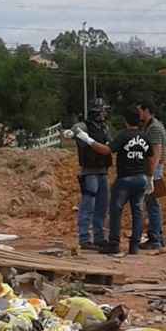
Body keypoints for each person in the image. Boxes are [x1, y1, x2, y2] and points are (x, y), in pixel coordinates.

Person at [67, 105, 154, 255]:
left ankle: (113, 243)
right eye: (101, 111)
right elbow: (151, 158)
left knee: (114, 210)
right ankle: (133, 246)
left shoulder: (119, 133)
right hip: (130, 177)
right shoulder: (144, 136)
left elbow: (107, 149)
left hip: (120, 177)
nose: (103, 115)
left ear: (125, 120)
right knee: (137, 212)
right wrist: (149, 177)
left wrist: (87, 139)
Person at [63, 99, 112, 250]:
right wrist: (74, 132)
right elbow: (74, 130)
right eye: (102, 110)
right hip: (89, 171)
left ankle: (99, 237)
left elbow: (109, 142)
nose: (104, 113)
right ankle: (84, 238)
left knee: (102, 207)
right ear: (95, 112)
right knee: (88, 205)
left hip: (103, 170)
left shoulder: (104, 127)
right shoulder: (84, 126)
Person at [137, 101, 166, 249]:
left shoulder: (154, 128)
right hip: (155, 169)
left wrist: (150, 175)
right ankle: (158, 236)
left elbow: (156, 152)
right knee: (153, 204)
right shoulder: (152, 125)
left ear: (146, 110)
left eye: (140, 111)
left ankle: (155, 239)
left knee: (152, 204)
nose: (139, 114)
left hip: (155, 170)